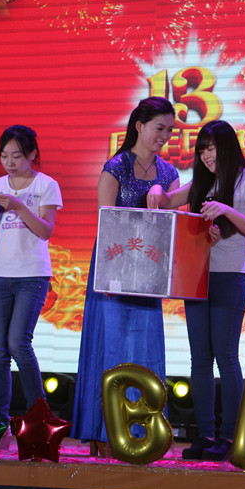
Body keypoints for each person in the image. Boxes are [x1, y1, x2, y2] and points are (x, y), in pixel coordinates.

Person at [146, 120, 245, 461]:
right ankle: (204, 434)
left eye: (211, 149)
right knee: (200, 359)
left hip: (230, 277)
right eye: (202, 150)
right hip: (197, 277)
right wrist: (156, 189)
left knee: (226, 356)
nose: (206, 156)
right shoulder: (200, 182)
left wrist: (226, 209)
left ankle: (229, 436)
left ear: (227, 147)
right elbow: (167, 201)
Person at [72, 97, 180, 454]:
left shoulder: (169, 174)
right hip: (114, 269)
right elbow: (107, 222)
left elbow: (173, 226)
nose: (164, 136)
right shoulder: (115, 167)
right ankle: (104, 433)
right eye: (159, 128)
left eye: (169, 130)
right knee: (112, 346)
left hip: (149, 272)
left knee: (145, 348)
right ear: (139, 126)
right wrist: (107, 275)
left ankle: (142, 433)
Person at [0, 125, 62, 425]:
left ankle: (39, 415)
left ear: (32, 154)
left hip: (33, 275)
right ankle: (1, 420)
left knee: (19, 342)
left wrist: (19, 206)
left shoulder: (46, 184)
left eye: (16, 156)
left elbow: (45, 230)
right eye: (4, 156)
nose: (10, 162)